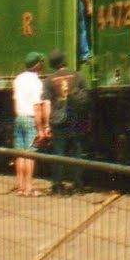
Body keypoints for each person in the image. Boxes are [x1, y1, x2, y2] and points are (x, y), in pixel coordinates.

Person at [45, 49, 90, 193]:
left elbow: (46, 102)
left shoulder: (49, 80)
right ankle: (78, 184)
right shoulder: (78, 75)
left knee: (59, 152)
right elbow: (86, 96)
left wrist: (46, 123)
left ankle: (57, 185)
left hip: (58, 118)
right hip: (76, 117)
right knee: (77, 151)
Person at [12, 52, 49, 197]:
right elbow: (37, 106)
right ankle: (28, 188)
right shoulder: (36, 82)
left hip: (19, 117)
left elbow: (15, 101)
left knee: (19, 154)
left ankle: (20, 187)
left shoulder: (18, 79)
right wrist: (41, 128)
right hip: (30, 119)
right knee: (30, 154)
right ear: (38, 65)